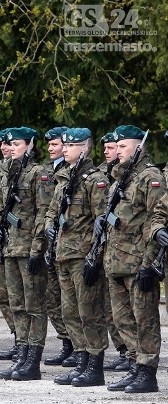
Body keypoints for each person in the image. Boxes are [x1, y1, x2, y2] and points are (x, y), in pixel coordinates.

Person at [44, 128, 109, 386]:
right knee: (70, 312)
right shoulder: (64, 179)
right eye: (66, 145)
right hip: (63, 254)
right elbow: (51, 211)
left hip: (83, 256)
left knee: (88, 312)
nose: (65, 149)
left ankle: (94, 366)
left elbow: (101, 222)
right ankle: (81, 361)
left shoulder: (94, 180)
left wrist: (95, 256)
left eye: (71, 146)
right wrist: (50, 226)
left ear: (84, 148)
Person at [104, 125, 163, 393]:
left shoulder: (150, 177)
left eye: (123, 147)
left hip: (138, 261)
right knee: (122, 319)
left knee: (144, 320)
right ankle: (133, 365)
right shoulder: (120, 179)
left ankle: (147, 371)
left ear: (139, 147)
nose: (118, 152)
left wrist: (150, 263)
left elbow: (155, 220)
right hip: (116, 262)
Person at [0, 126, 54, 381]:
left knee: (34, 306)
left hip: (29, 248)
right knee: (17, 305)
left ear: (29, 145)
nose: (11, 147)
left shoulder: (38, 173)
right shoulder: (6, 174)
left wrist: (37, 248)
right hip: (9, 247)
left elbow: (44, 211)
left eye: (16, 143)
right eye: (9, 144)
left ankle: (33, 360)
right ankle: (21, 352)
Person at [41, 126, 76, 367]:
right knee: (53, 300)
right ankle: (66, 343)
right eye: (51, 145)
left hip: (70, 245)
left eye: (56, 145)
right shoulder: (46, 171)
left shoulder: (73, 173)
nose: (52, 149)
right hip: (51, 243)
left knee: (70, 301)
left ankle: (77, 346)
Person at [97, 132, 128, 372]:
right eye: (108, 148)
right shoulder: (108, 175)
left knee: (128, 311)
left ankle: (131, 354)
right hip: (108, 250)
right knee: (111, 310)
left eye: (114, 147)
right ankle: (123, 351)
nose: (109, 151)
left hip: (128, 253)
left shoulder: (137, 176)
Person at [0, 130, 17, 360]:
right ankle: (18, 337)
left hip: (21, 245)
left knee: (22, 299)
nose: (4, 148)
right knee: (5, 296)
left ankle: (25, 342)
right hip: (2, 243)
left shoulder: (31, 173)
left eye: (9, 144)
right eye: (3, 145)